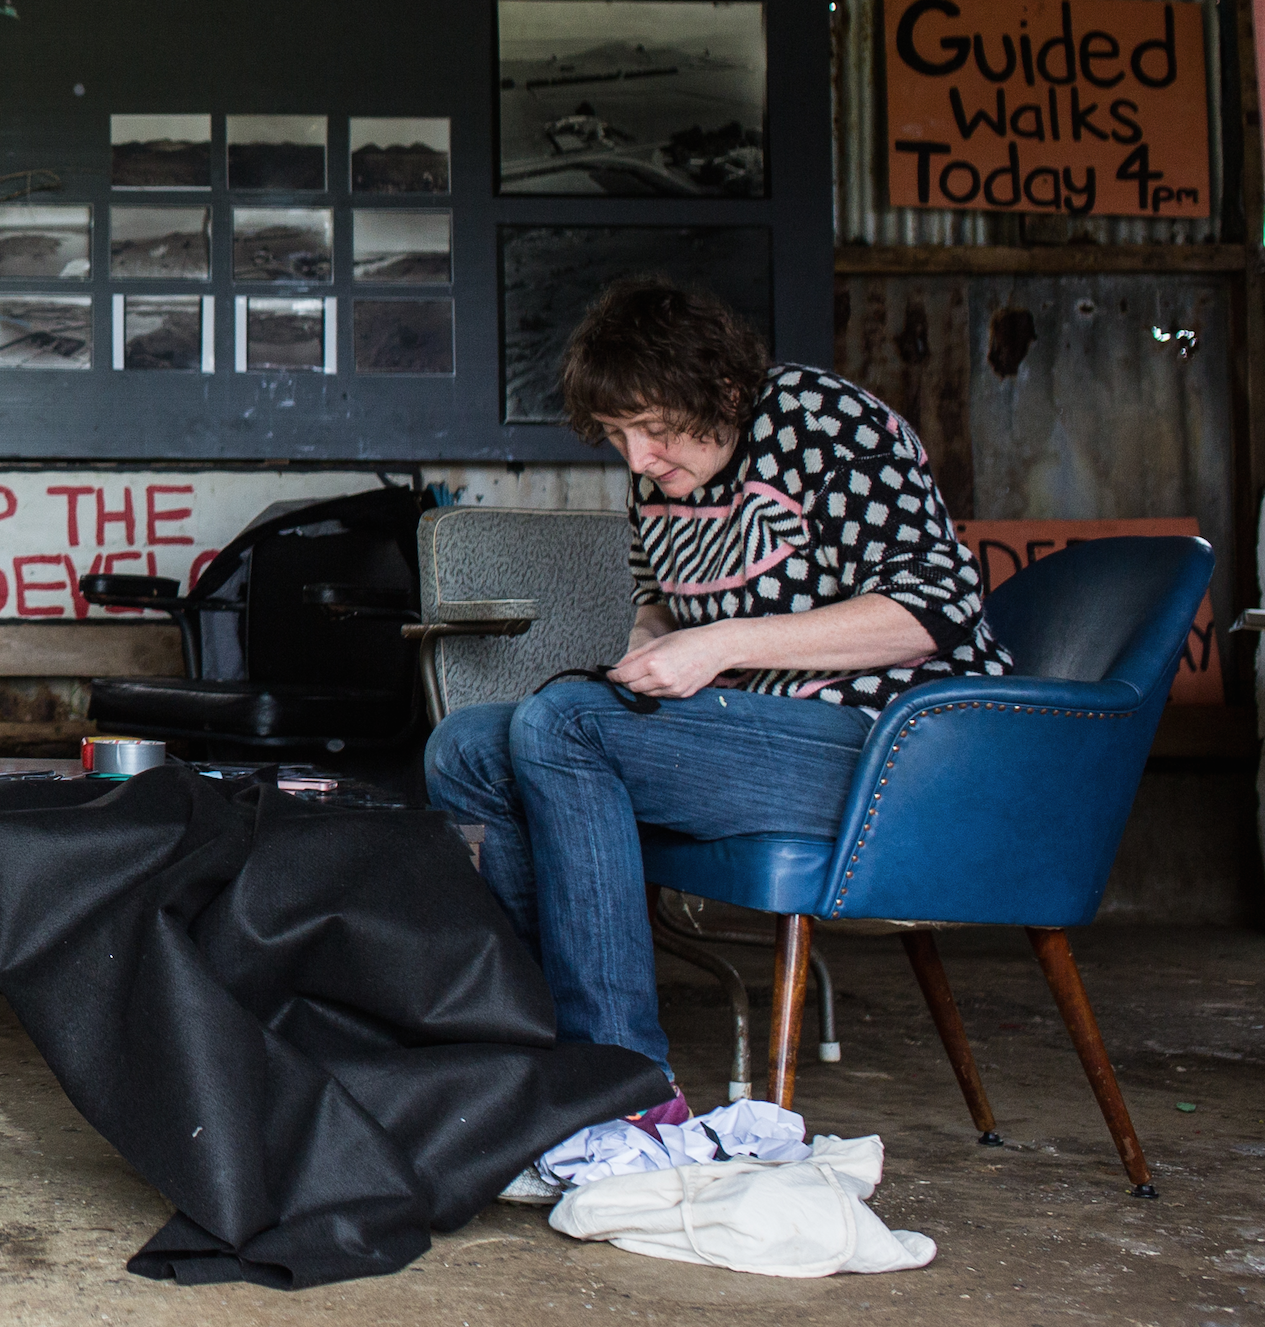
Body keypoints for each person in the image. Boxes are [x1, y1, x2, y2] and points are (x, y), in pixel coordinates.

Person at [425, 277, 1010, 1118]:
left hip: (901, 746)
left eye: (655, 431)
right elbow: (658, 598)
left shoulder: (820, 421)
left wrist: (722, 645)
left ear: (725, 390)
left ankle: (622, 1088)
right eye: (620, 436)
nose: (637, 460)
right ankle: (535, 1053)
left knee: (563, 726)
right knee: (470, 745)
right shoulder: (659, 476)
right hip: (764, 734)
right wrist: (648, 645)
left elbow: (935, 609)